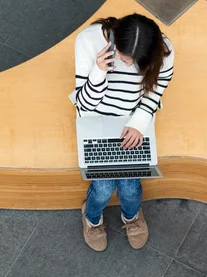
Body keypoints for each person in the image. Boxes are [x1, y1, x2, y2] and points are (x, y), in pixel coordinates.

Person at [74, 13, 174, 252]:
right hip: (94, 120)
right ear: (114, 44)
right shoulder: (88, 41)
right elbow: (84, 104)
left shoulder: (164, 48)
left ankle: (131, 216)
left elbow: (156, 90)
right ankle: (91, 217)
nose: (128, 65)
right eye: (123, 58)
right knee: (104, 188)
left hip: (134, 121)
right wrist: (99, 71)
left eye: (136, 61)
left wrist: (139, 123)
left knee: (130, 187)